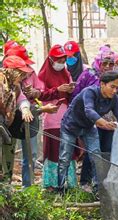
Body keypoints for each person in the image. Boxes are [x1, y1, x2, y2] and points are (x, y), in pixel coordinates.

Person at [57, 71, 118, 193]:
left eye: (117, 88)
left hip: (89, 127)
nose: (115, 90)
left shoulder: (114, 99)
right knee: (65, 158)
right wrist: (103, 123)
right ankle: (60, 189)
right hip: (71, 126)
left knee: (96, 156)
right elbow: (89, 110)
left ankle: (97, 189)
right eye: (112, 87)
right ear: (102, 84)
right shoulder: (89, 92)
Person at [72, 50, 118, 189]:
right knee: (92, 151)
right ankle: (85, 181)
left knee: (106, 151)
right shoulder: (88, 75)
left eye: (111, 63)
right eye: (105, 63)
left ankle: (102, 182)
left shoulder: (115, 79)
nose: (108, 66)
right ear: (98, 62)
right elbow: (76, 95)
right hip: (90, 121)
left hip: (109, 122)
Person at [27, 45, 78, 190]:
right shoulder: (42, 75)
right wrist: (57, 90)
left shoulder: (66, 73)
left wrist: (69, 89)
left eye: (63, 60)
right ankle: (53, 183)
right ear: (50, 60)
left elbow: (70, 92)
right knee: (54, 149)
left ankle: (69, 182)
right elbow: (40, 95)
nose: (61, 63)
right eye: (58, 60)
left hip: (66, 116)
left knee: (68, 148)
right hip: (51, 116)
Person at [0, 56, 34, 182]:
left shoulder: (15, 86)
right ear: (12, 71)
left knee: (7, 160)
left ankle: (6, 190)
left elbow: (22, 99)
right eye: (21, 73)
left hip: (8, 127)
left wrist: (25, 108)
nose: (23, 77)